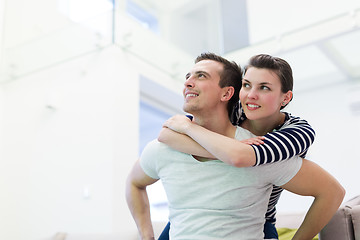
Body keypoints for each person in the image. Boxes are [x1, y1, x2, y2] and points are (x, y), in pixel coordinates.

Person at [126, 53, 345, 240]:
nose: (251, 95)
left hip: (260, 218)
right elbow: (166, 135)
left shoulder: (296, 132)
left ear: (285, 98)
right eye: (247, 85)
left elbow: (241, 157)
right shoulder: (234, 112)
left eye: (265, 88)